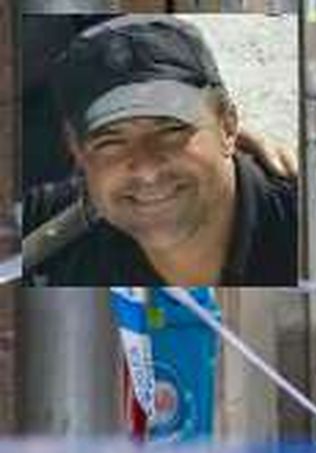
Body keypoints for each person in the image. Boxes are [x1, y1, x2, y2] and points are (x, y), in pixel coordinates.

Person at [23, 15, 297, 287]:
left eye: (171, 130)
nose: (147, 168)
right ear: (77, 151)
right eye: (111, 141)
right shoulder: (44, 240)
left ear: (228, 126)